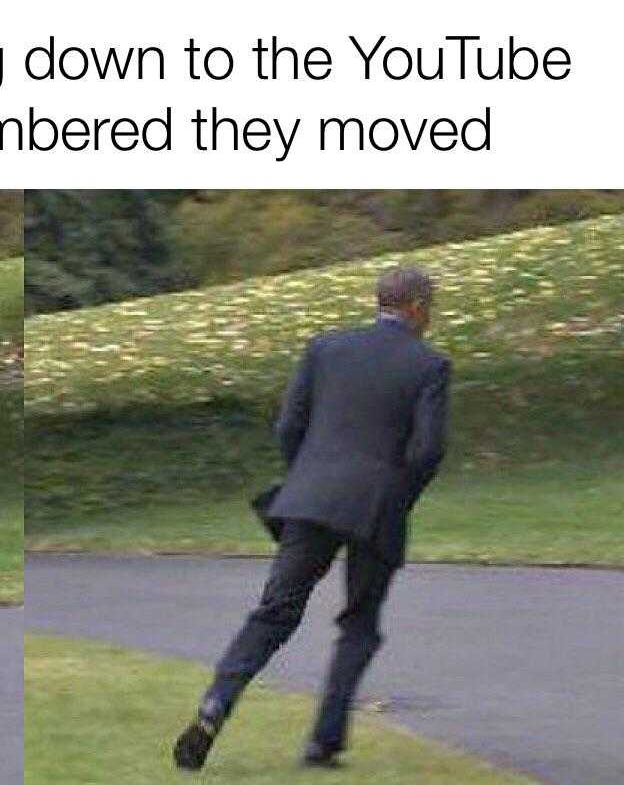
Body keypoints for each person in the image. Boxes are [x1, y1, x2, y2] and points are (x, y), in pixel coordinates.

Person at [174, 266, 451, 770]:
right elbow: (427, 451)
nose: (431, 318)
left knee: (274, 612)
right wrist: (398, 495)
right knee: (359, 624)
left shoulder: (325, 348)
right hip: (376, 509)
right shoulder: (429, 365)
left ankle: (216, 703)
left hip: (310, 499)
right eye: (430, 308)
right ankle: (323, 742)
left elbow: (288, 426)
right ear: (414, 307)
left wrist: (309, 477)